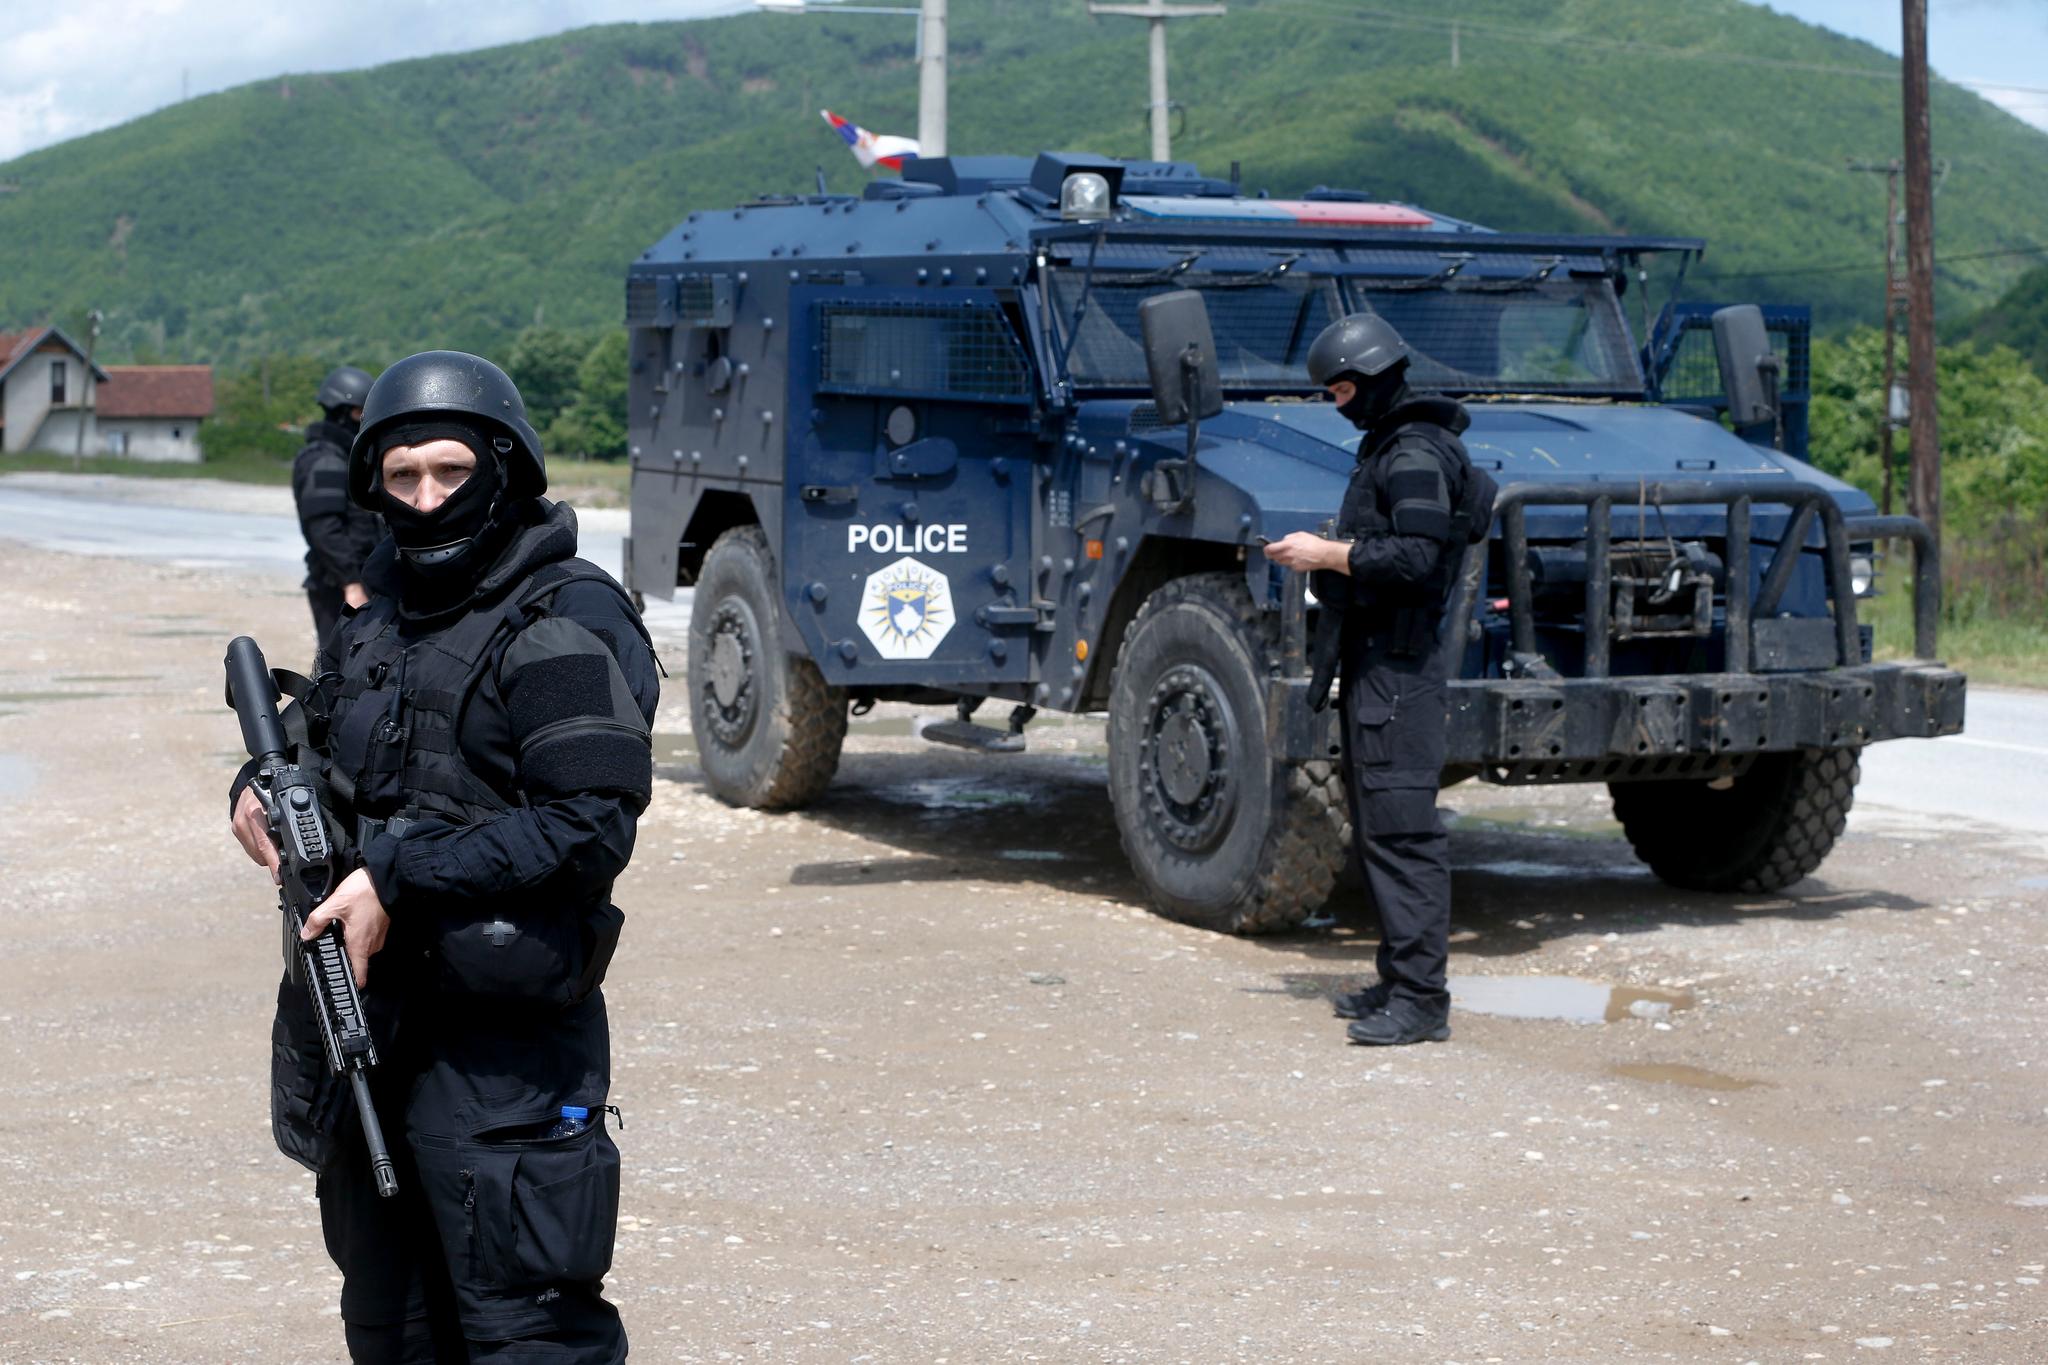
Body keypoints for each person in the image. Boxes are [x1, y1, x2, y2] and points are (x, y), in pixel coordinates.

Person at [228, 350, 658, 1362]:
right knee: (390, 1324)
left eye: (450, 473)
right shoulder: (377, 626)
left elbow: (588, 828)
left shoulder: (563, 618)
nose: (424, 498)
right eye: (402, 475)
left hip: (500, 1049)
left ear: (503, 469)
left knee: (524, 1335)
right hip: (366, 1029)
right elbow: (316, 750)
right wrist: (254, 785)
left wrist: (397, 874)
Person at [1263, 313, 1491, 1047]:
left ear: (1370, 381)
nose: (1337, 404)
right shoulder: (1400, 447)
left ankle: (1422, 999)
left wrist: (1325, 554)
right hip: (1381, 668)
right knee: (1380, 831)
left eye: (1339, 390)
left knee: (1404, 835)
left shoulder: (1415, 453)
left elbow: (1417, 559)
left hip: (1400, 669)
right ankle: (1398, 980)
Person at [293, 365, 384, 647]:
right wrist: (351, 583)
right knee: (338, 667)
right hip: (339, 585)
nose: (363, 420)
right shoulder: (326, 460)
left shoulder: (345, 457)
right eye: (359, 412)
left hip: (359, 578)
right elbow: (323, 529)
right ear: (342, 411)